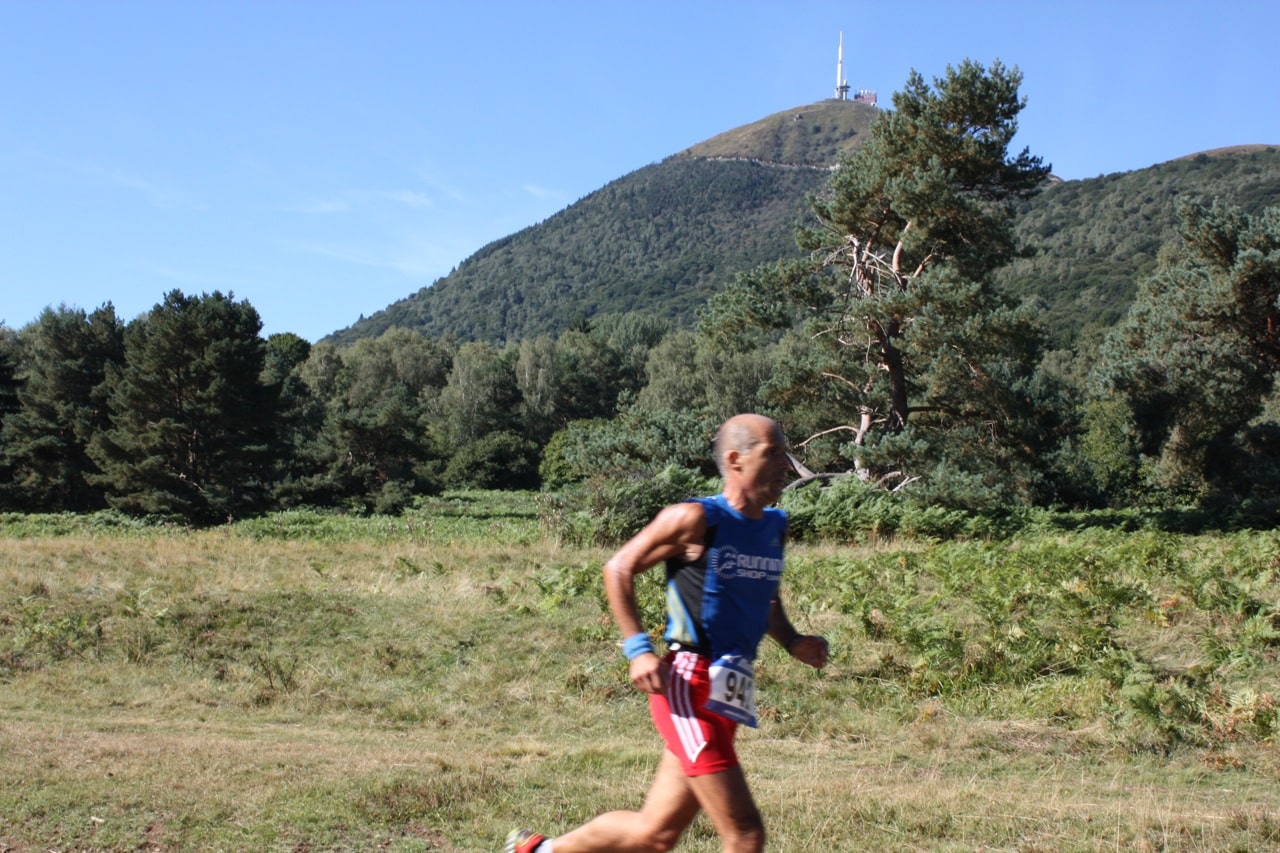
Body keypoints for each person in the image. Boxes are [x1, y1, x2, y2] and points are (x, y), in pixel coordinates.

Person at [506, 413, 829, 853]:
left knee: (654, 835)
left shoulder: (774, 526)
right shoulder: (695, 519)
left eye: (785, 455)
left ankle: (538, 851)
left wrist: (792, 640)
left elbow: (764, 596)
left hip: (728, 691)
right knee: (745, 834)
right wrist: (638, 649)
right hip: (687, 688)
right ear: (735, 459)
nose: (785, 466)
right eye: (773, 455)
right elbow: (619, 567)